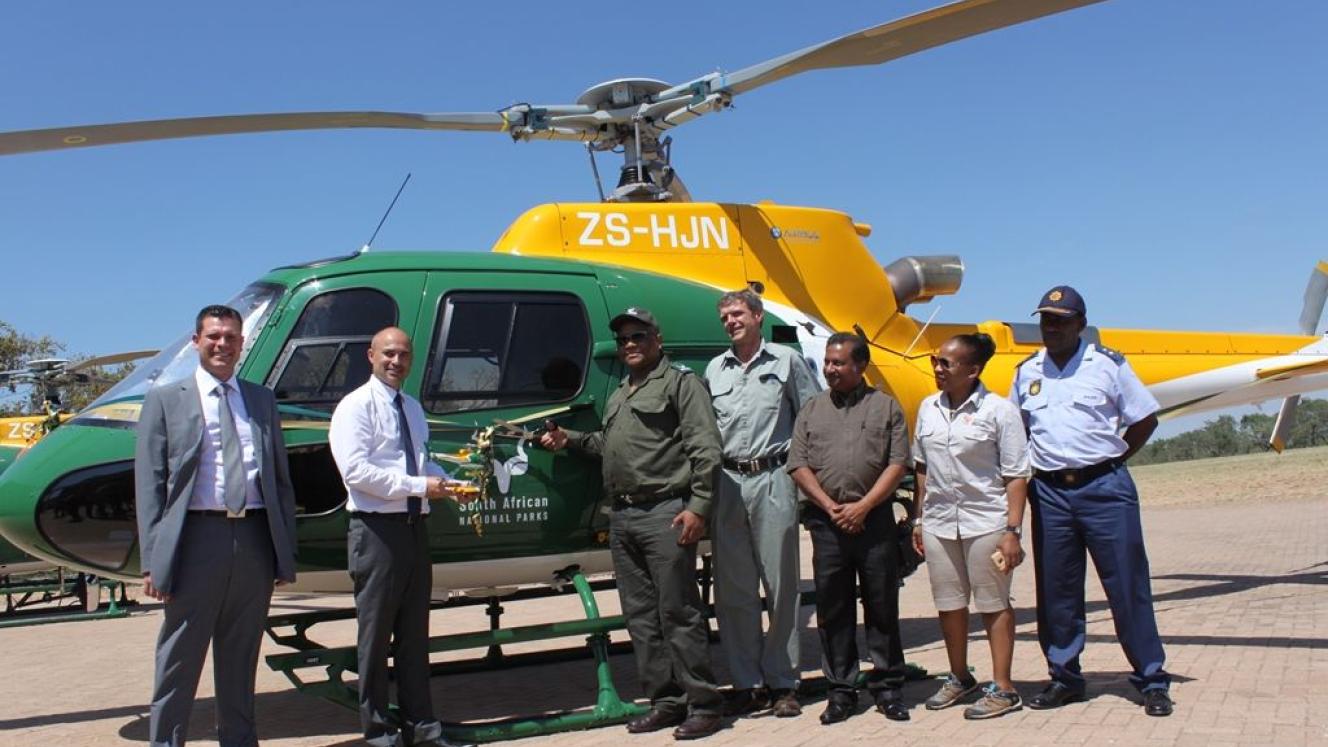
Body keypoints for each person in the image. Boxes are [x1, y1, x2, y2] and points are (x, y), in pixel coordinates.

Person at [540, 307, 724, 741]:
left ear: (657, 339)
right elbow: (609, 444)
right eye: (623, 340)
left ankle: (704, 704)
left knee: (678, 612)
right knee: (641, 618)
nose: (629, 345)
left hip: (665, 512)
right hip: (622, 516)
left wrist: (698, 507)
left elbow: (707, 450)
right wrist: (570, 441)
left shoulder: (681, 384)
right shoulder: (622, 391)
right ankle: (666, 702)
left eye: (637, 337)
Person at [135, 304, 298, 747]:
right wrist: (153, 561)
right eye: (213, 336)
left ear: (242, 344)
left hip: (253, 539)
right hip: (194, 540)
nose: (222, 344)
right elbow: (150, 485)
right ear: (196, 342)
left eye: (230, 337)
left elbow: (279, 480)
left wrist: (283, 552)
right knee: (179, 658)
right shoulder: (166, 400)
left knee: (240, 656)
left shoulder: (261, 400)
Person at [1010, 286, 1173, 717]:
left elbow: (1145, 418)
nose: (1051, 326)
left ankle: (1152, 680)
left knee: (1126, 586)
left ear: (1081, 324)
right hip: (1049, 494)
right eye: (1046, 318)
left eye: (1061, 319)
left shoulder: (1108, 365)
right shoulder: (1027, 371)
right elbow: (1018, 434)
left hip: (1105, 489)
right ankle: (1064, 677)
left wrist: (1112, 461)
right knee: (1057, 592)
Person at [329, 326, 472, 747]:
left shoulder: (411, 407)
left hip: (413, 531)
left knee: (414, 637)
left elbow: (423, 463)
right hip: (376, 533)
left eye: (404, 355)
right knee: (374, 642)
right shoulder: (354, 407)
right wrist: (419, 486)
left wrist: (449, 484)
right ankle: (378, 734)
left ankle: (422, 728)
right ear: (370, 355)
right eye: (388, 353)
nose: (396, 361)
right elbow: (356, 472)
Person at [704, 289, 819, 717]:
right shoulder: (715, 369)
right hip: (728, 482)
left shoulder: (786, 362)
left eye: (737, 314)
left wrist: (806, 490)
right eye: (725, 317)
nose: (731, 322)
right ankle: (747, 682)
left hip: (773, 478)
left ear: (757, 316)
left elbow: (809, 420)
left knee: (781, 586)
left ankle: (784, 682)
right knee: (734, 590)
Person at [788, 332, 911, 725]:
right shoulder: (811, 409)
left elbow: (897, 464)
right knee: (833, 609)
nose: (829, 369)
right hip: (827, 525)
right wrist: (830, 506)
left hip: (874, 523)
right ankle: (841, 691)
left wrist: (863, 506)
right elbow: (798, 464)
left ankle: (888, 686)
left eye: (838, 363)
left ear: (860, 366)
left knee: (881, 605)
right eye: (827, 362)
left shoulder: (886, 408)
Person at [910, 333, 1030, 719]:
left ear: (973, 370)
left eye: (946, 363)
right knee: (949, 603)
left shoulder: (1000, 411)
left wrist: (1012, 531)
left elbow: (1016, 475)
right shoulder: (928, 408)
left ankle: (1004, 688)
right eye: (936, 361)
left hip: (987, 522)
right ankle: (960, 677)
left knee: (993, 604)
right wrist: (918, 518)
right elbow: (922, 468)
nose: (937, 369)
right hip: (940, 522)